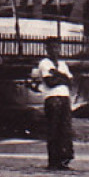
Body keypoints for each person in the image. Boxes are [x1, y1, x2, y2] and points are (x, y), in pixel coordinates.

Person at [31, 39, 74, 170]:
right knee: (54, 129)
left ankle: (64, 159)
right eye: (52, 48)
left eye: (57, 48)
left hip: (65, 98)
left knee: (65, 130)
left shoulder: (62, 64)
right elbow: (50, 82)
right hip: (52, 98)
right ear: (47, 49)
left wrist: (58, 75)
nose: (55, 51)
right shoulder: (44, 63)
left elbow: (70, 80)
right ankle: (53, 161)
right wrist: (63, 78)